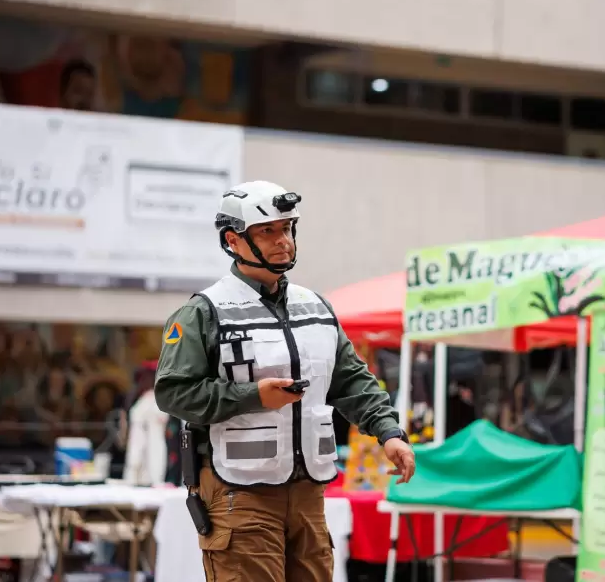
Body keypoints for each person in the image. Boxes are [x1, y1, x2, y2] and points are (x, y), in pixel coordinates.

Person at [155, 180, 415, 582]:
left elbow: (351, 379)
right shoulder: (203, 313)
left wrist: (389, 432)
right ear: (233, 240)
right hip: (239, 494)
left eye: (288, 228)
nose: (284, 241)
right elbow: (174, 392)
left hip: (309, 494)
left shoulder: (316, 306)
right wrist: (252, 396)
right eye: (268, 231)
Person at [123, 360, 170, 486]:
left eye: (148, 376)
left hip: (150, 452)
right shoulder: (140, 398)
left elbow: (157, 432)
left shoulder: (158, 400)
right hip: (137, 450)